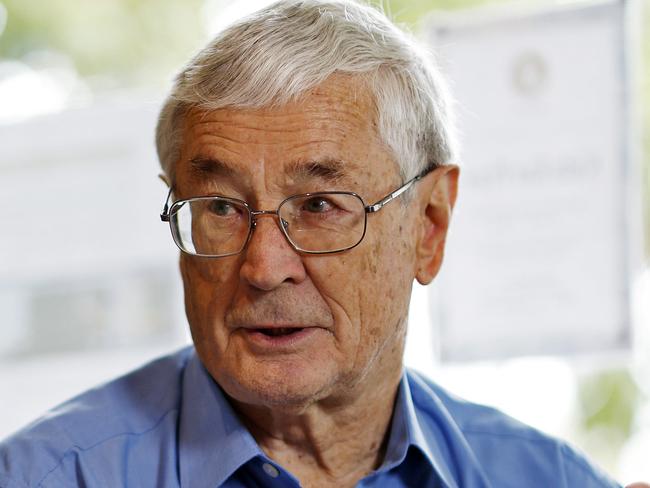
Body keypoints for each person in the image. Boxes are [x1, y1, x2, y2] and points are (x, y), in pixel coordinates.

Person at [0, 1, 637, 487]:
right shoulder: (46, 474)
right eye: (221, 207)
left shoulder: (542, 476)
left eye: (320, 206)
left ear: (429, 226)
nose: (263, 267)